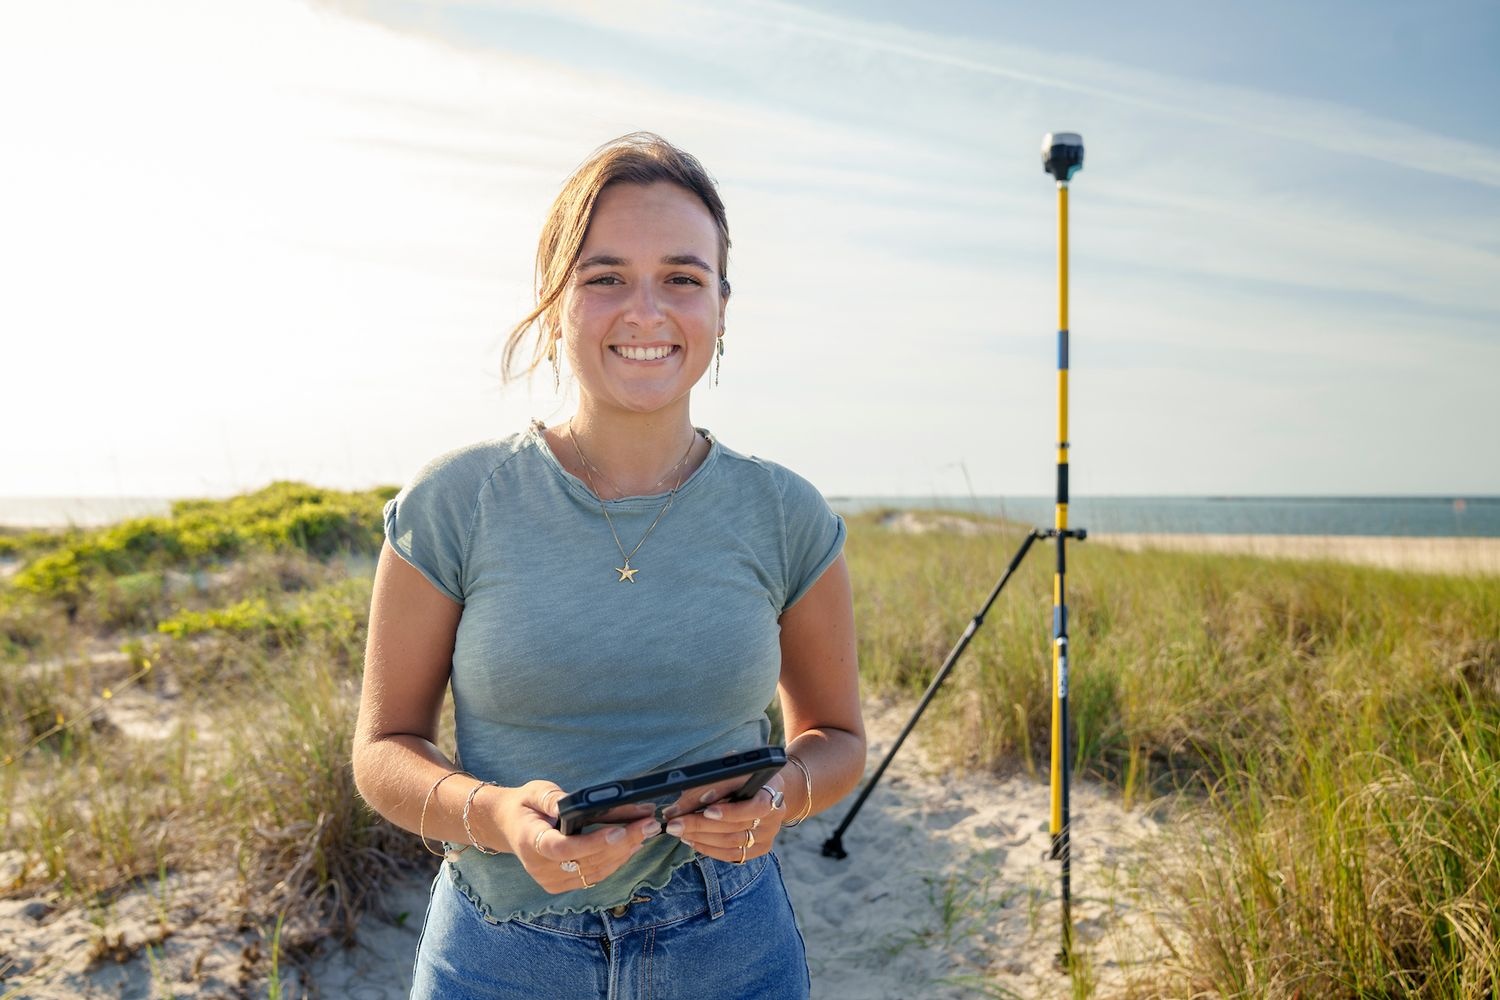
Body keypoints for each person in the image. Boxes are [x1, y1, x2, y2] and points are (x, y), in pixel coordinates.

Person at [353, 131, 865, 999]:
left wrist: (781, 797)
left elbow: (837, 738)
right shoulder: (456, 501)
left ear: (722, 306)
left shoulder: (786, 512)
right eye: (606, 278)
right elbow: (382, 751)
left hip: (732, 947)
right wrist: (497, 815)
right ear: (555, 300)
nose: (646, 311)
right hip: (500, 954)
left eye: (683, 277)